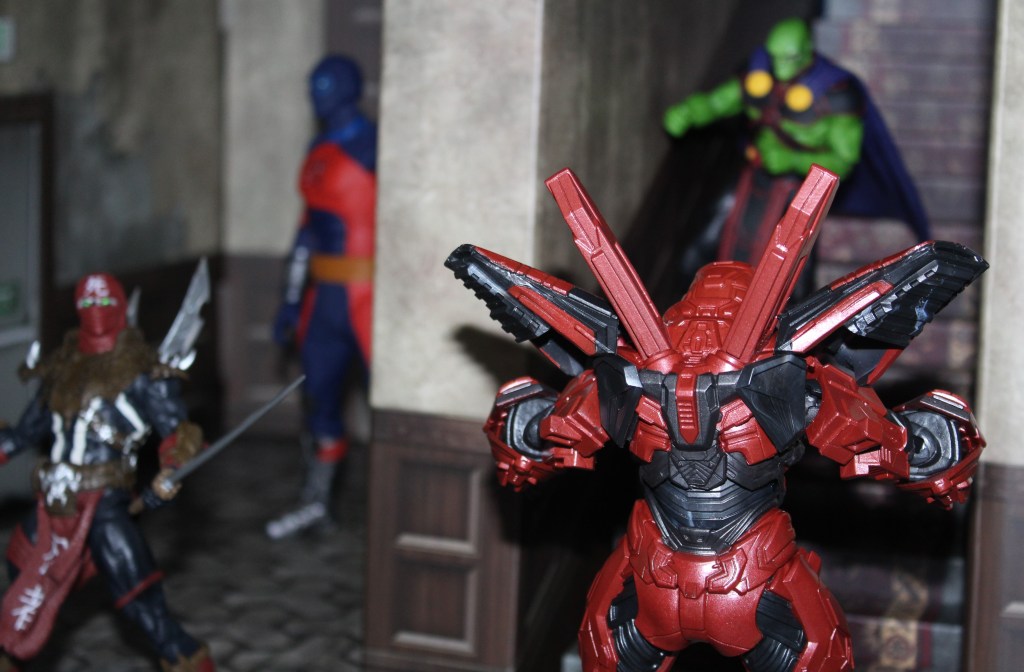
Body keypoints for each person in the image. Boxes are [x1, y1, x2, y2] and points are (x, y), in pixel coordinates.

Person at [447, 166, 984, 671]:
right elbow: (535, 435)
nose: (703, 331)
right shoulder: (647, 377)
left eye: (714, 315)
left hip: (736, 579)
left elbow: (897, 447)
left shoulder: (782, 381)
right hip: (673, 575)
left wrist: (909, 445)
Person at [0, 272, 214, 671]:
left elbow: (177, 432)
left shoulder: (143, 372)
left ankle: (188, 661)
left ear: (117, 306)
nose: (95, 310)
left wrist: (171, 467)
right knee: (23, 573)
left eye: (103, 302)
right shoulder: (62, 368)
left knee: (140, 601)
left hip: (105, 505)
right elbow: (26, 432)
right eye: (87, 302)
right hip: (55, 503)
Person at [663, 17, 929, 296]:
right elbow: (720, 101)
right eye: (774, 57)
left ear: (804, 53)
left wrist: (791, 160)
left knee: (794, 271)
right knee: (705, 244)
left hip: (802, 188)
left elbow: (844, 161)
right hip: (756, 174)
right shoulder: (760, 75)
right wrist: (689, 113)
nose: (779, 67)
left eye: (787, 58)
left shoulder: (836, 96)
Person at [267, 54, 376, 539]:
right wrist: (291, 299)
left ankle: (391, 510)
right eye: (313, 86)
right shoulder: (318, 148)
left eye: (325, 85)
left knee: (384, 401)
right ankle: (316, 501)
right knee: (318, 399)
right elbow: (305, 232)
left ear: (349, 88)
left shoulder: (374, 146)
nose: (316, 95)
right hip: (324, 297)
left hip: (368, 295)